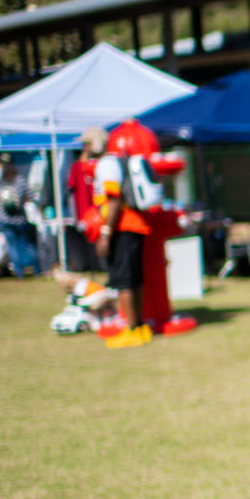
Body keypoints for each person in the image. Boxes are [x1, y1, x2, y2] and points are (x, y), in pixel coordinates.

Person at [93, 128, 155, 348]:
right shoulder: (116, 162)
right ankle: (138, 326)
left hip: (122, 227)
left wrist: (105, 233)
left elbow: (113, 199)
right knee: (133, 278)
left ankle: (132, 329)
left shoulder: (106, 165)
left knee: (124, 281)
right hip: (133, 225)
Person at [0, 156, 38, 278]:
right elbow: (32, 197)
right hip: (20, 219)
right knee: (27, 244)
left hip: (5, 220)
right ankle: (37, 270)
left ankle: (19, 272)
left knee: (13, 246)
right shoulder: (20, 181)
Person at [66, 128, 105, 272]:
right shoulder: (78, 167)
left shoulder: (104, 165)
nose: (84, 147)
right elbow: (71, 188)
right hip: (86, 214)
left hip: (102, 212)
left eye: (87, 144)